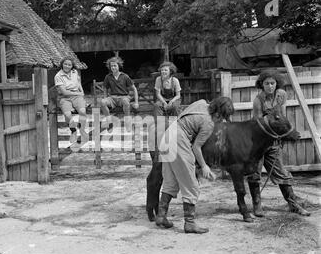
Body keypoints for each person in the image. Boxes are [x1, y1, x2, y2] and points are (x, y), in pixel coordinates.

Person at [156, 97, 235, 234]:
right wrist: (204, 166)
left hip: (167, 136)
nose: (221, 121)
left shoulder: (202, 103)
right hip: (178, 140)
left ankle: (161, 216)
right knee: (191, 183)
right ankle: (190, 223)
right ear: (217, 114)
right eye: (222, 118)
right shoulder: (209, 123)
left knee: (170, 180)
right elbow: (196, 147)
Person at [247, 70, 310, 216]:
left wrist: (281, 134)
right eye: (266, 83)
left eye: (272, 83)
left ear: (277, 84)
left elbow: (281, 117)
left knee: (281, 172)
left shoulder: (281, 95)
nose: (270, 86)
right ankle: (257, 206)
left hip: (274, 141)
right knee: (255, 174)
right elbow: (258, 123)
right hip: (258, 142)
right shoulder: (258, 100)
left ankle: (293, 205)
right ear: (261, 85)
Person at [54, 57, 88, 144]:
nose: (67, 66)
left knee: (82, 111)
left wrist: (82, 92)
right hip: (64, 97)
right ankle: (73, 131)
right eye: (65, 64)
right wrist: (78, 94)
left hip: (77, 96)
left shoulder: (75, 72)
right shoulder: (58, 76)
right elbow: (64, 92)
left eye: (69, 64)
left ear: (72, 66)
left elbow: (78, 83)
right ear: (62, 64)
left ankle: (82, 130)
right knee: (67, 114)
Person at [100, 56, 139, 132]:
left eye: (115, 65)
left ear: (119, 66)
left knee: (125, 101)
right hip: (112, 98)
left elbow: (134, 89)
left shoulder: (125, 76)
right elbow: (105, 89)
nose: (113, 67)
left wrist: (136, 102)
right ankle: (109, 122)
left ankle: (127, 122)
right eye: (111, 66)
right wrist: (105, 98)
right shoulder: (108, 77)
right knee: (102, 102)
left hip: (124, 97)